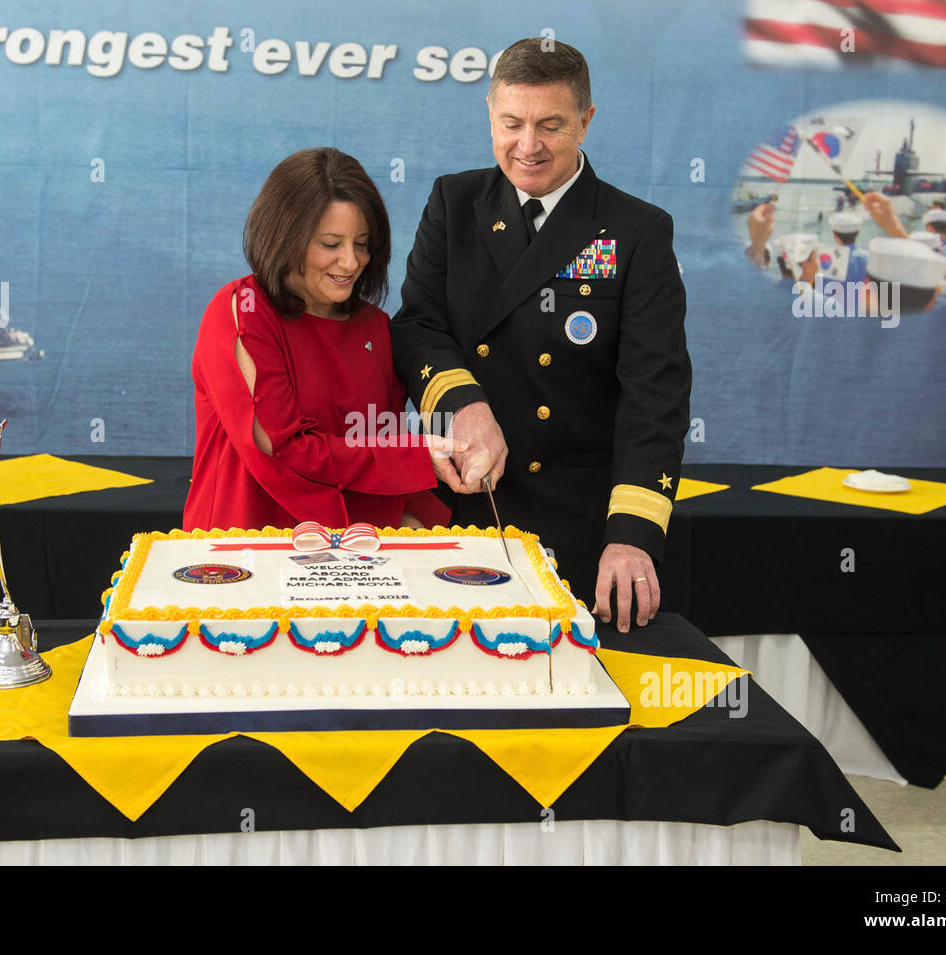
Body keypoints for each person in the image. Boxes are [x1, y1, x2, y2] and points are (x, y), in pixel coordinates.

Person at [389, 38, 691, 633]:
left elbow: (654, 396)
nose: (528, 146)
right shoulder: (454, 202)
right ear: (490, 114)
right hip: (467, 507)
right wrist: (464, 408)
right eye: (511, 123)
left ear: (586, 121)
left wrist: (630, 537)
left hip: (579, 527)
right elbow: (418, 325)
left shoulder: (637, 231)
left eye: (550, 125)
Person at [184, 148, 457, 532]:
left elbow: (376, 445)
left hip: (354, 557)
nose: (351, 261)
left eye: (362, 243)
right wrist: (413, 460)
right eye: (331, 244)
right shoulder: (242, 309)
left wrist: (408, 517)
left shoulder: (375, 326)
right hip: (246, 551)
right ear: (283, 236)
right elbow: (279, 450)